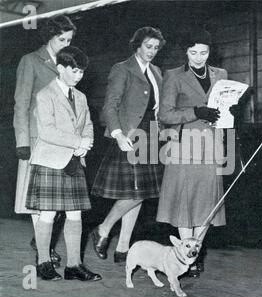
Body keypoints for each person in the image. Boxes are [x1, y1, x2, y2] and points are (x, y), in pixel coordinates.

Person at [25, 46, 101, 281]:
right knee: (47, 215)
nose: (79, 76)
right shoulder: (44, 95)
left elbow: (88, 124)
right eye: (75, 71)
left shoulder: (81, 96)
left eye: (81, 72)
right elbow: (46, 131)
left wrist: (86, 143)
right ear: (60, 68)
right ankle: (43, 263)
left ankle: (73, 266)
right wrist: (77, 142)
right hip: (50, 161)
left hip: (74, 160)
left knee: (75, 215)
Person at [156, 27, 227, 277]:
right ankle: (187, 255)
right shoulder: (174, 76)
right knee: (185, 204)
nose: (199, 57)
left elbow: (227, 109)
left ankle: (196, 250)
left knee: (207, 204)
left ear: (210, 52)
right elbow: (164, 114)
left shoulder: (221, 74)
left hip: (212, 146)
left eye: (204, 52)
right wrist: (196, 112)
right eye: (193, 52)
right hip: (185, 146)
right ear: (185, 52)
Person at [91, 27, 166, 264]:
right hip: (129, 136)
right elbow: (109, 106)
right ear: (137, 46)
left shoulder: (156, 72)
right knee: (135, 192)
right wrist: (118, 134)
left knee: (139, 194)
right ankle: (103, 228)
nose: (152, 51)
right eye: (148, 46)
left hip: (150, 136)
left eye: (156, 47)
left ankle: (123, 246)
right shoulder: (122, 69)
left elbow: (157, 108)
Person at [13, 15, 76, 267]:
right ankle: (44, 252)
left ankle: (42, 243)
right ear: (49, 36)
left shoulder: (69, 64)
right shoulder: (30, 61)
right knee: (37, 198)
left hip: (61, 141)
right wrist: (22, 141)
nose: (66, 43)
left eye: (69, 39)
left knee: (57, 201)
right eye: (61, 39)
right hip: (37, 139)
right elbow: (21, 103)